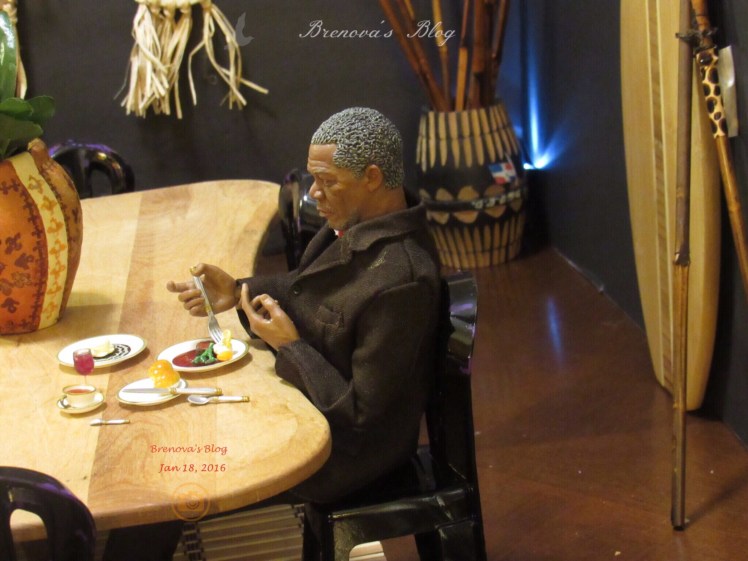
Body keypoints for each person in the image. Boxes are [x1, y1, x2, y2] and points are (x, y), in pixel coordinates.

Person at [104, 107, 440, 560]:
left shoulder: (401, 279)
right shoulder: (355, 228)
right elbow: (309, 293)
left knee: (166, 482)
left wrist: (290, 346)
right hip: (309, 414)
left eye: (327, 181)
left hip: (344, 456)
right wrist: (237, 291)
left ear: (373, 177)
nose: (315, 194)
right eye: (313, 179)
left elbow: (361, 415)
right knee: (169, 445)